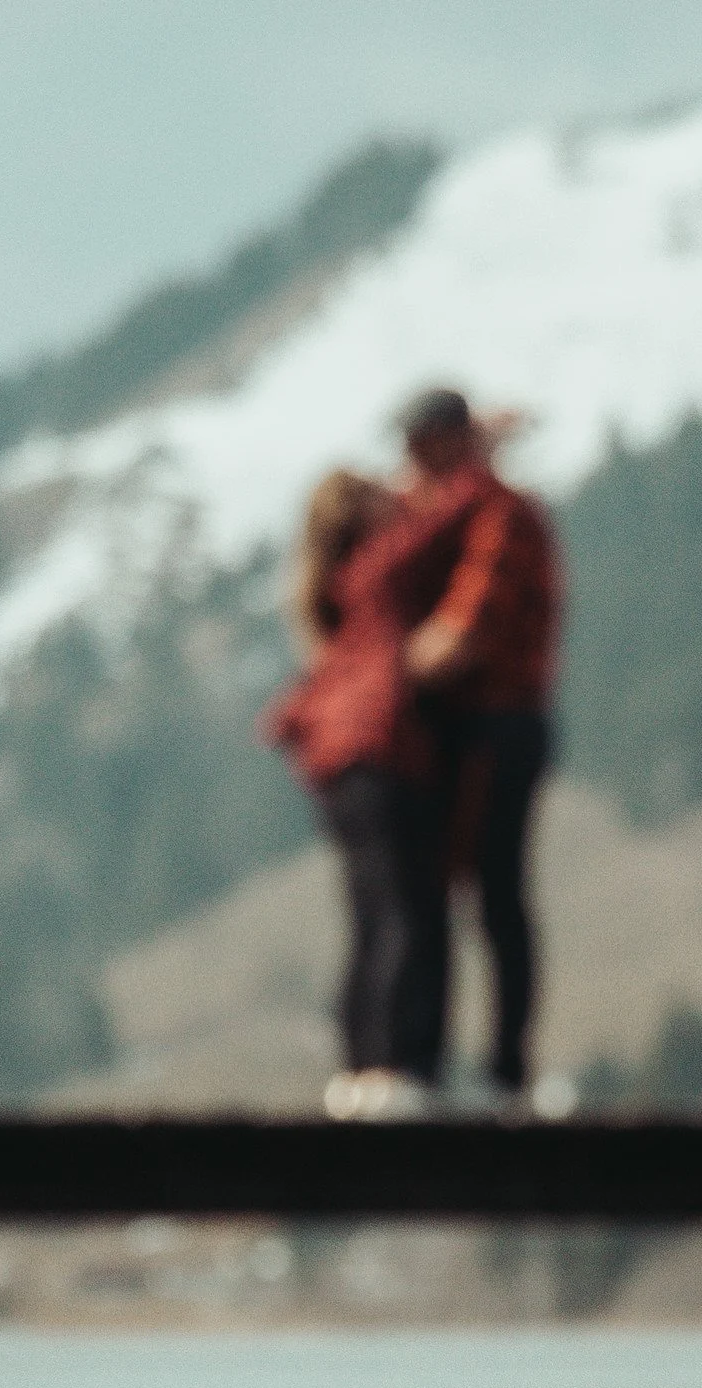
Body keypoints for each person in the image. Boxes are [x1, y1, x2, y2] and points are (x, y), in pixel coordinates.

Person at [262, 465, 479, 1118]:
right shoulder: (376, 568)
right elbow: (440, 524)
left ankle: (360, 1073)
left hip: (338, 766)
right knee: (409, 913)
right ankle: (398, 1072)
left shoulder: (335, 589)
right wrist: (469, 465)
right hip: (379, 753)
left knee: (371, 917)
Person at [397, 388, 565, 1104]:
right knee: (483, 897)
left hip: (498, 722)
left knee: (495, 894)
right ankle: (480, 1069)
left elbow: (467, 626)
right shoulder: (475, 508)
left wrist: (381, 672)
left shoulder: (496, 515)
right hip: (489, 725)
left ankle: (502, 1073)